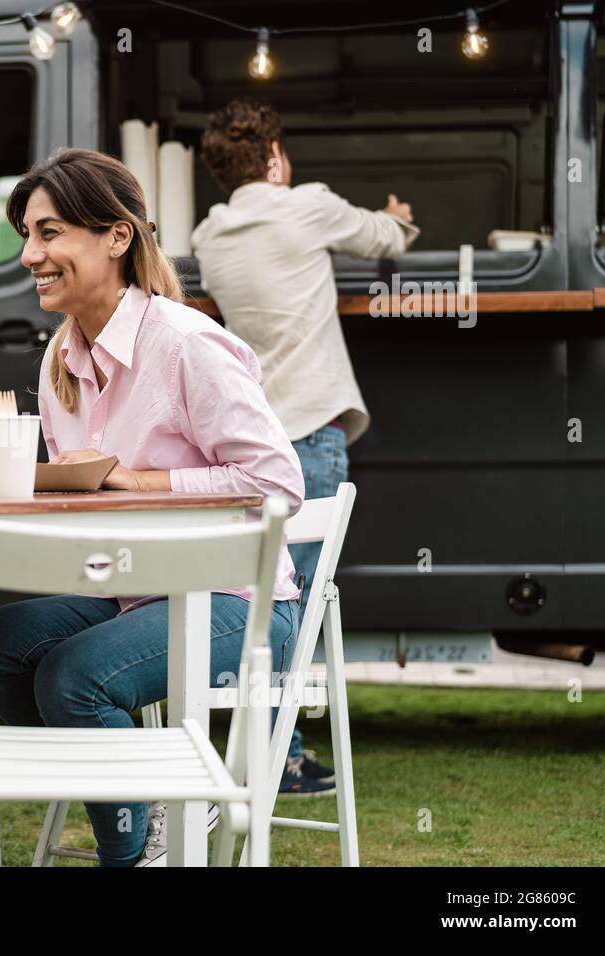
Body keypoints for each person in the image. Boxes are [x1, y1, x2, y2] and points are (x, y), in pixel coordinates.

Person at [0, 148, 305, 866]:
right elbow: (80, 486)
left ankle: (135, 850)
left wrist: (139, 481)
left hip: (236, 599)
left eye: (48, 232)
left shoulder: (185, 342)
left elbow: (279, 482)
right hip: (135, 592)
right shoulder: (62, 358)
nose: (29, 254)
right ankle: (135, 789)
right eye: (27, 236)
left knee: (73, 677)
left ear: (116, 237)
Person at [191, 98, 419, 796]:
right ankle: (281, 757)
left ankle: (258, 745)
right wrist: (401, 215)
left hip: (249, 444)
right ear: (275, 158)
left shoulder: (209, 235)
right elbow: (387, 238)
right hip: (311, 436)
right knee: (299, 604)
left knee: (260, 599)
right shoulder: (306, 205)